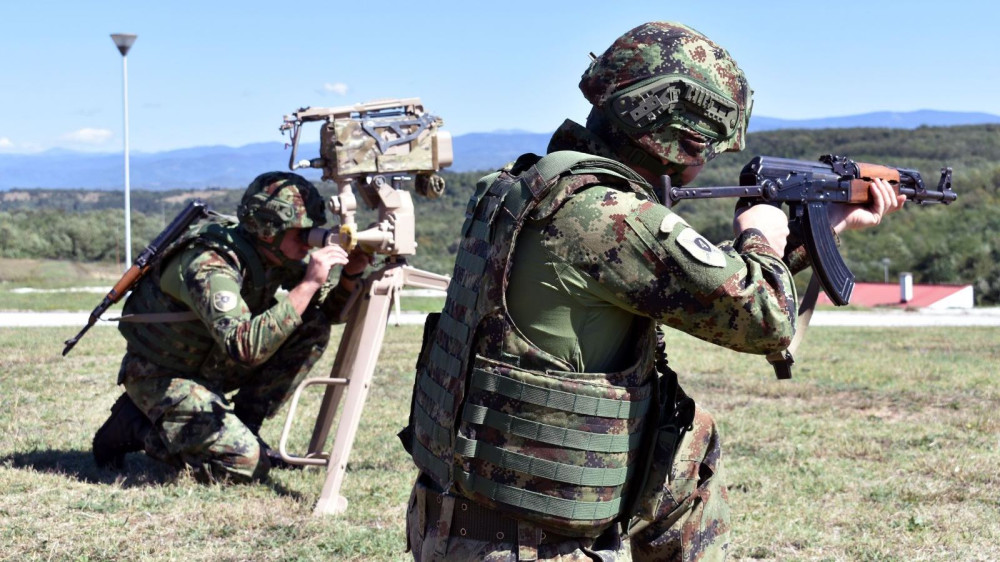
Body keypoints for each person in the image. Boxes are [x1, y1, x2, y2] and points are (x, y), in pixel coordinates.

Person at [400, 22, 904, 560]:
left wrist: (818, 230)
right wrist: (758, 234)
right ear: (669, 134)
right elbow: (766, 318)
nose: (699, 167)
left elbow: (686, 287)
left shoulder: (523, 187)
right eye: (699, 151)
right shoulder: (603, 214)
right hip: (529, 545)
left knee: (687, 443)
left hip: (462, 519)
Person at [92, 171, 370, 483]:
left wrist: (349, 277)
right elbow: (245, 348)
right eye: (300, 233)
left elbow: (325, 317)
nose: (308, 241)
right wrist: (309, 283)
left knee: (311, 327)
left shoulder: (272, 255)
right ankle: (137, 428)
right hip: (162, 373)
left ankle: (246, 426)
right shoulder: (210, 264)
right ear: (268, 230)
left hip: (209, 364)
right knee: (245, 464)